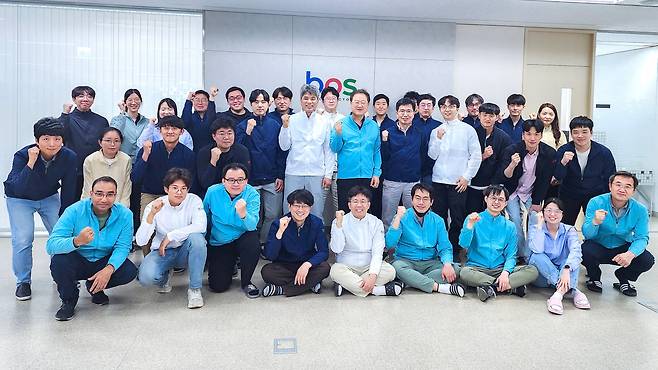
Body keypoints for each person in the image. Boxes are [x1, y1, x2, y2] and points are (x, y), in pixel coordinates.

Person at [4, 118, 77, 300]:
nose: (52, 144)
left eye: (57, 139)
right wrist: (31, 161)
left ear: (62, 140)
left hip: (48, 196)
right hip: (19, 198)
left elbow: (69, 189)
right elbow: (18, 186)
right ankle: (23, 282)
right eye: (46, 139)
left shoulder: (69, 157)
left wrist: (65, 216)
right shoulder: (22, 155)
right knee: (23, 238)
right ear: (37, 140)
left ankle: (61, 274)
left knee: (62, 234)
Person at [47, 176, 137, 321]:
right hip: (78, 259)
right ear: (91, 193)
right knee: (59, 261)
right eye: (99, 193)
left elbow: (123, 247)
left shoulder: (125, 214)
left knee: (129, 271)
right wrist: (77, 241)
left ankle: (94, 286)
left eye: (110, 194)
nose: (104, 199)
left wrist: (109, 269)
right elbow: (51, 245)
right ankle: (69, 300)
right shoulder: (74, 211)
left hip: (103, 260)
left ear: (115, 195)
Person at [136, 168, 207, 309]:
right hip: (163, 252)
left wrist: (171, 236)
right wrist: (151, 215)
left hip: (186, 249)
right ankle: (164, 277)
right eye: (175, 188)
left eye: (183, 188)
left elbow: (201, 226)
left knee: (198, 240)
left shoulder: (194, 200)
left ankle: (194, 289)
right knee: (145, 278)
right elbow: (141, 241)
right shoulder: (154, 205)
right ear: (166, 189)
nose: (179, 192)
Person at [459, 185, 539, 302]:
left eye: (501, 199)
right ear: (486, 199)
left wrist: (505, 273)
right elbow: (463, 244)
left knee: (532, 270)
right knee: (464, 273)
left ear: (506, 203)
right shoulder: (473, 218)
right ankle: (508, 287)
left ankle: (490, 287)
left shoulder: (510, 226)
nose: (496, 202)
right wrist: (470, 226)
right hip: (477, 268)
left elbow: (511, 255)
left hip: (499, 269)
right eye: (493, 198)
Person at [582, 171, 654, 297]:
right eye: (618, 185)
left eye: (628, 186)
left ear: (633, 191)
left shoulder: (640, 210)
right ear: (610, 186)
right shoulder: (596, 202)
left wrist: (630, 254)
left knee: (647, 260)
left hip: (622, 248)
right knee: (583, 250)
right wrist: (595, 222)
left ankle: (623, 277)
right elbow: (588, 235)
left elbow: (642, 237)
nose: (622, 189)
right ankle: (594, 277)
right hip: (599, 245)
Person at [385, 183, 465, 297]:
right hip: (406, 261)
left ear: (431, 202)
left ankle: (411, 281)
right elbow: (389, 244)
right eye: (417, 198)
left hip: (430, 262)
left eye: (425, 199)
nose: (421, 202)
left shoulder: (438, 220)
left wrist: (447, 264)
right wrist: (397, 217)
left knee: (455, 269)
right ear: (412, 200)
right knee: (396, 268)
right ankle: (439, 287)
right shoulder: (402, 217)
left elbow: (445, 247)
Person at [132, 115, 196, 255]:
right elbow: (136, 178)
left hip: (177, 196)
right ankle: (148, 258)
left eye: (174, 128)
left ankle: (176, 258)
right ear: (160, 131)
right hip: (151, 194)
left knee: (178, 226)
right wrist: (146, 155)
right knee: (147, 225)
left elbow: (190, 181)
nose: (170, 131)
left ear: (182, 132)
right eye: (166, 128)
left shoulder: (188, 154)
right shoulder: (148, 149)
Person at [428, 95, 482, 261]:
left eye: (451, 106)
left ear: (457, 109)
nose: (447, 109)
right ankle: (441, 249)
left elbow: (476, 155)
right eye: (443, 106)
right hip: (438, 181)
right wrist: (438, 139)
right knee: (439, 217)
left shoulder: (467, 130)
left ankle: (455, 250)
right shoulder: (436, 131)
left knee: (458, 218)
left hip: (459, 182)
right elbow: (432, 155)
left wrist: (467, 177)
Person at [497, 119, 556, 262]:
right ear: (523, 135)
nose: (532, 138)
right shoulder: (512, 150)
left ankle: (531, 254)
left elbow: (544, 180)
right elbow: (504, 176)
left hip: (531, 191)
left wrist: (537, 201)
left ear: (541, 135)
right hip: (512, 191)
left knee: (534, 222)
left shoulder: (548, 153)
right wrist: (512, 164)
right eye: (528, 134)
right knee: (515, 221)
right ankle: (518, 253)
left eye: (536, 134)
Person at [235, 89, 287, 245]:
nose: (259, 105)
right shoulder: (243, 125)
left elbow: (281, 151)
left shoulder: (275, 124)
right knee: (252, 215)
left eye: (263, 102)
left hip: (272, 178)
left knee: (273, 214)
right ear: (250, 104)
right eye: (256, 102)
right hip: (251, 179)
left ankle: (264, 243)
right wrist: (248, 132)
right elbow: (237, 149)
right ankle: (250, 246)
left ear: (268, 104)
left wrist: (280, 175)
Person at [203, 163, 261, 298]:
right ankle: (230, 264)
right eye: (231, 180)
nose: (236, 184)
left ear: (246, 181)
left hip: (243, 236)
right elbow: (204, 216)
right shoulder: (212, 192)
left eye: (240, 180)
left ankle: (246, 282)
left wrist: (243, 214)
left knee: (253, 242)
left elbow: (252, 225)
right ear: (223, 181)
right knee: (218, 286)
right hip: (221, 240)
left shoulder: (252, 193)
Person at [330, 186, 400, 297]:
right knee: (335, 270)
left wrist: (372, 276)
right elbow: (336, 249)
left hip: (368, 266)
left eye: (363, 201)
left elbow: (377, 252)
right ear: (349, 205)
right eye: (355, 201)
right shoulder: (339, 221)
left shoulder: (376, 222)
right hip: (347, 266)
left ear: (368, 205)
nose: (359, 205)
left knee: (390, 271)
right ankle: (376, 290)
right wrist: (338, 226)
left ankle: (348, 286)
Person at [261, 189, 330, 297]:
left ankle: (280, 289)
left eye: (305, 206)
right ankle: (309, 284)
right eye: (297, 205)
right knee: (267, 271)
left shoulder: (316, 222)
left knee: (325, 268)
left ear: (310, 208)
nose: (300, 210)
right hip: (284, 265)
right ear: (289, 206)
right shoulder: (278, 223)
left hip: (307, 264)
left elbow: (324, 252)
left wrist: (307, 265)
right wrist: (280, 232)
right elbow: (270, 255)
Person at [279, 84, 334, 218]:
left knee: (316, 210)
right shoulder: (292, 119)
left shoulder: (324, 122)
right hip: (294, 172)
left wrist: (328, 174)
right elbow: (284, 146)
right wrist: (285, 127)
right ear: (300, 100)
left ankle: (316, 238)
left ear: (317, 101)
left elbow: (328, 150)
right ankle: (289, 237)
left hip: (317, 173)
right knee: (290, 209)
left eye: (313, 98)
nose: (309, 102)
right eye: (306, 98)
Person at [528, 198, 590, 315]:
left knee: (571, 260)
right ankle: (572, 290)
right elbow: (537, 249)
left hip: (563, 273)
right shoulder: (535, 228)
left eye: (557, 211)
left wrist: (567, 268)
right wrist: (540, 226)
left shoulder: (569, 230)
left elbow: (576, 251)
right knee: (537, 256)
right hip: (541, 276)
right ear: (543, 212)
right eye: (549, 210)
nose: (552, 214)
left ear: (562, 214)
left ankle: (557, 295)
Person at [554, 116, 616, 225]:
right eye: (576, 132)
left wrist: (607, 199)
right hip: (569, 194)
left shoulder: (603, 152)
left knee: (595, 225)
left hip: (595, 195)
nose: (580, 136)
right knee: (565, 225)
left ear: (591, 133)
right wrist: (563, 162)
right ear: (571, 134)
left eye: (584, 132)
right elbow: (558, 176)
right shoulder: (564, 150)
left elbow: (611, 177)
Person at [331, 88, 382, 217]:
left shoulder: (373, 126)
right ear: (351, 103)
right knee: (346, 211)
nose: (359, 105)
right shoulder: (340, 124)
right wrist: (338, 134)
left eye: (363, 102)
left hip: (367, 177)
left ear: (368, 105)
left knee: (366, 213)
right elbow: (334, 148)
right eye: (356, 102)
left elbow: (376, 151)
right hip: (346, 177)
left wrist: (376, 173)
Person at [59, 85, 109, 199]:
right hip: (73, 169)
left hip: (96, 168)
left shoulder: (101, 121)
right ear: (74, 99)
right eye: (81, 96)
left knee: (95, 201)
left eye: (89, 96)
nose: (86, 99)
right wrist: (65, 114)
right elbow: (60, 135)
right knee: (70, 202)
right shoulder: (67, 118)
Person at [380, 97, 422, 229]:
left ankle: (413, 245)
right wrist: (385, 141)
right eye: (402, 111)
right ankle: (387, 246)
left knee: (414, 216)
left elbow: (424, 156)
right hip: (392, 182)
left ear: (414, 113)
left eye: (409, 111)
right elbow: (383, 157)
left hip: (413, 182)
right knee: (387, 217)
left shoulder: (419, 133)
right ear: (397, 113)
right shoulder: (388, 132)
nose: (405, 114)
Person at [466, 103, 512, 214]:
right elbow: (464, 159)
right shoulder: (470, 133)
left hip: (492, 186)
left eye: (491, 116)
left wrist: (495, 184)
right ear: (479, 116)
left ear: (497, 117)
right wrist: (482, 156)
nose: (487, 119)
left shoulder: (504, 138)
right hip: (472, 185)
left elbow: (503, 163)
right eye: (484, 115)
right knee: (471, 216)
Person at [196, 117, 250, 197]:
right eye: (222, 133)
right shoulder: (204, 152)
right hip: (212, 195)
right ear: (214, 136)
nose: (226, 137)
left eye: (229, 133)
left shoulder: (242, 151)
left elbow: (244, 180)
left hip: (236, 193)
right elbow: (205, 183)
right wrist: (213, 162)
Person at [82, 127, 132, 207]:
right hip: (95, 205)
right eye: (108, 140)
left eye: (116, 141)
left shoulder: (126, 160)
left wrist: (122, 210)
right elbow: (87, 188)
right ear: (100, 142)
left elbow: (126, 189)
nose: (112, 144)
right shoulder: (90, 160)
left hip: (118, 206)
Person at [318, 86, 345, 229]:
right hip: (321, 170)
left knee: (340, 207)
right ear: (322, 101)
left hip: (340, 170)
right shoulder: (318, 118)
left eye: (333, 98)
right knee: (317, 207)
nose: (331, 101)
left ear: (338, 100)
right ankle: (318, 238)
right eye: (327, 98)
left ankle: (338, 236)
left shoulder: (344, 119)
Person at [536, 102, 567, 199]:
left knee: (550, 201)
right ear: (539, 115)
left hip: (552, 172)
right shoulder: (533, 130)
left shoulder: (559, 133)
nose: (547, 117)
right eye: (544, 113)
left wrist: (556, 175)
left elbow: (562, 154)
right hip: (534, 170)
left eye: (551, 114)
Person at [110, 88, 150, 158]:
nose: (133, 103)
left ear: (141, 102)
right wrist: (122, 112)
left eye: (137, 99)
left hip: (142, 160)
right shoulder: (117, 119)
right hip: (122, 160)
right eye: (130, 100)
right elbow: (114, 135)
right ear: (125, 102)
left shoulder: (147, 122)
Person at [412, 93, 441, 185]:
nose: (426, 108)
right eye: (423, 105)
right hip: (413, 168)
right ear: (417, 107)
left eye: (429, 105)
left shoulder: (439, 126)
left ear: (433, 108)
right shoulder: (410, 124)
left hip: (432, 170)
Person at [182, 88, 218, 152]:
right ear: (193, 102)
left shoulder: (213, 117)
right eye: (197, 100)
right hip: (193, 153)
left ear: (208, 102)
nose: (200, 103)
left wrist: (212, 97)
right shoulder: (190, 118)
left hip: (211, 153)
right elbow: (184, 123)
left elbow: (211, 120)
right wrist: (188, 101)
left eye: (204, 100)